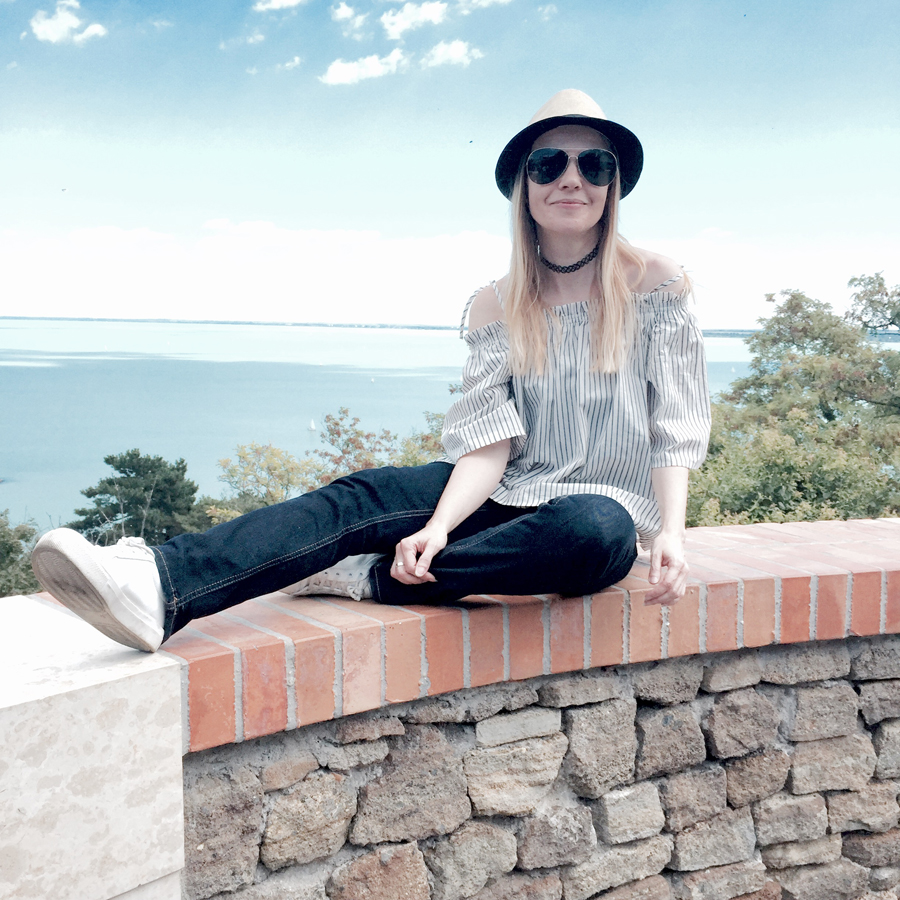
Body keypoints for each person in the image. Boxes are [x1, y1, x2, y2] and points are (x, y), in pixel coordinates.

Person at [31, 89, 710, 654]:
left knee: (595, 535)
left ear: (612, 184)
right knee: (360, 499)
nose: (572, 178)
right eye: (548, 163)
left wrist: (671, 532)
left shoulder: (656, 284)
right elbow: (491, 445)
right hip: (504, 490)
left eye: (594, 164)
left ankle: (373, 579)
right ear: (522, 187)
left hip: (597, 509)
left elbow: (673, 425)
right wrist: (440, 526)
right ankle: (159, 582)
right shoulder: (495, 305)